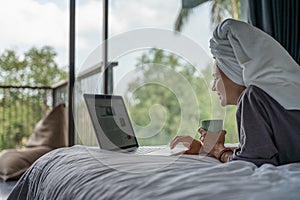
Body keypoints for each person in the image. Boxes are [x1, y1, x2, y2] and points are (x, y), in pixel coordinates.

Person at [170, 18, 300, 167]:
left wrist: (219, 150)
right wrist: (206, 149)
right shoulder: (278, 96)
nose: (213, 87)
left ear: (232, 72)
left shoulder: (253, 97)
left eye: (216, 77)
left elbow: (252, 163)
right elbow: (259, 151)